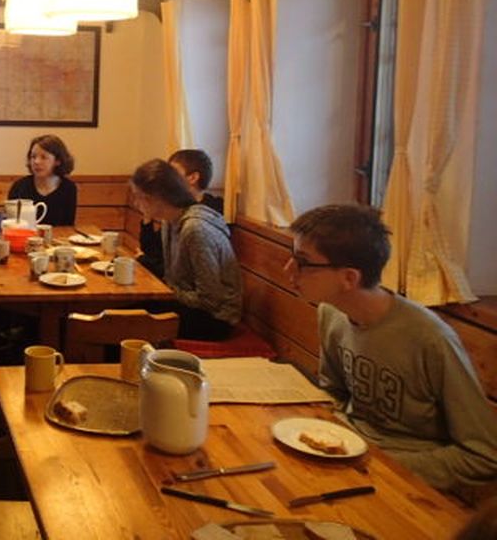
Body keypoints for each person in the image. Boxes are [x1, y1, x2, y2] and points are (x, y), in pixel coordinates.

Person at [287, 204, 497, 504]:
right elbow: (334, 393)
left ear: (349, 278)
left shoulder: (430, 338)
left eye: (302, 262)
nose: (288, 270)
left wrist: (381, 466)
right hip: (350, 457)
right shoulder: (331, 313)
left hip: (411, 483)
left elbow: (484, 455)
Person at [130, 158, 241, 340]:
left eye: (139, 196)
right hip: (187, 305)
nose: (136, 203)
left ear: (157, 197)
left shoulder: (196, 229)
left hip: (215, 319)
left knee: (124, 327)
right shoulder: (170, 221)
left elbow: (211, 300)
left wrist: (168, 291)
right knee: (118, 318)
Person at [139, 148, 222, 277]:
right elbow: (154, 250)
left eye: (173, 173)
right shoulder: (177, 207)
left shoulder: (205, 218)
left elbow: (191, 273)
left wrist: (145, 260)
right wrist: (148, 215)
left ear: (193, 178)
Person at [7, 134, 77, 226]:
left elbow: (67, 225)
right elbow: (11, 223)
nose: (36, 162)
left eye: (43, 157)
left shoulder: (68, 188)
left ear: (58, 161)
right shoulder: (19, 186)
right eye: (33, 157)